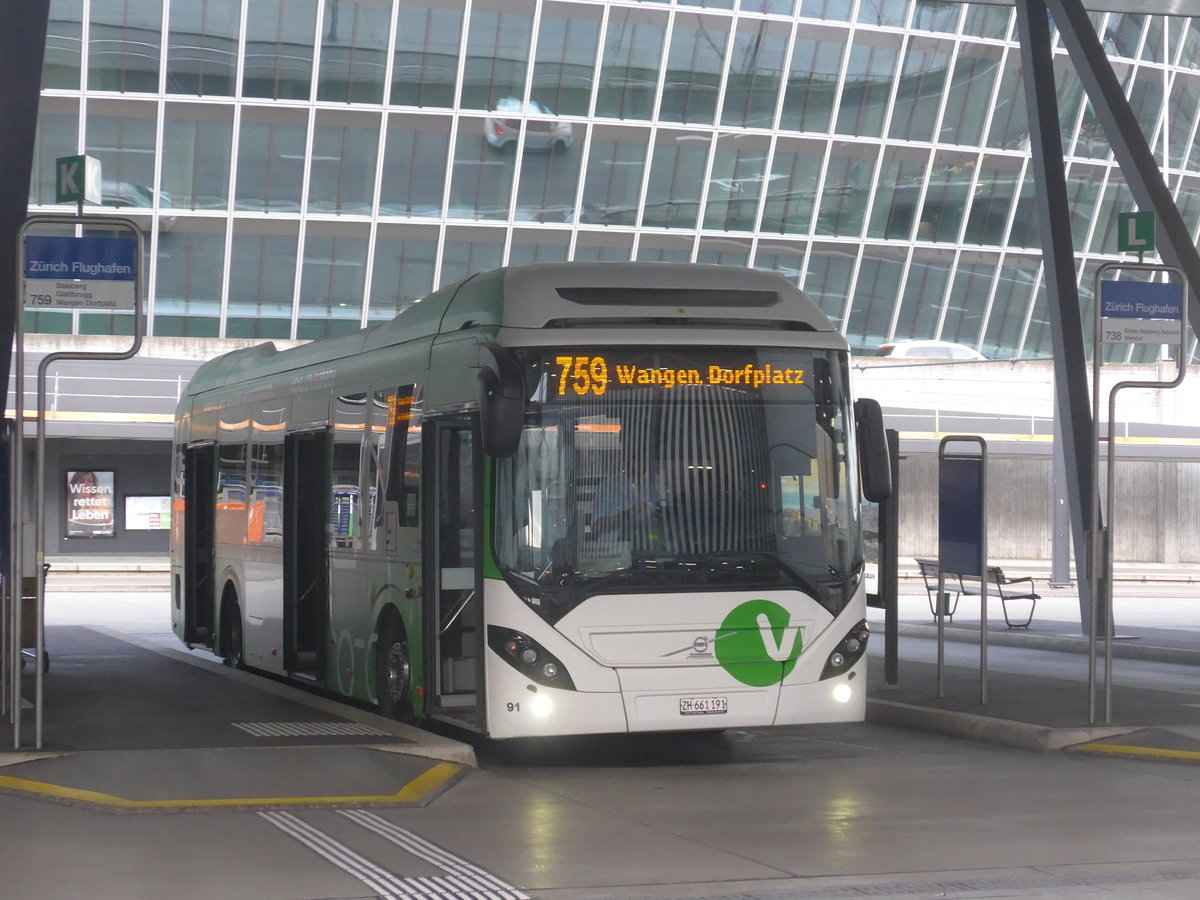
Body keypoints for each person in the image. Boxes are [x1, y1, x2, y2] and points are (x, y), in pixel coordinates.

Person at [590, 460, 660, 541]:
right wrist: (630, 512)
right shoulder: (608, 487)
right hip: (615, 549)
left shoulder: (652, 486)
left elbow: (659, 519)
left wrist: (655, 516)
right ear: (628, 460)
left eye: (644, 457)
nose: (641, 462)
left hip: (648, 545)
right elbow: (596, 527)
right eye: (637, 458)